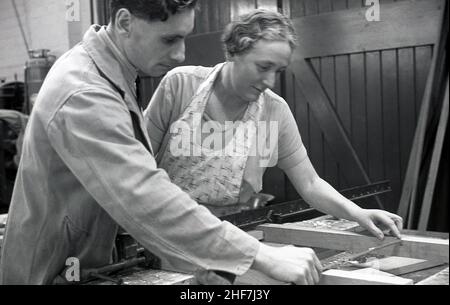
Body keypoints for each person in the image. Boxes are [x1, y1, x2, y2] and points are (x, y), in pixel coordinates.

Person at [0, 0, 323, 286]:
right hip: (51, 269)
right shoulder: (85, 92)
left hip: (90, 258)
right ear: (125, 22)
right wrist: (260, 255)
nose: (180, 53)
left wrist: (208, 252)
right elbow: (143, 192)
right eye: (169, 39)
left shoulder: (112, 72)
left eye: (183, 36)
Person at [145, 10, 403, 247]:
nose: (270, 81)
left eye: (278, 70)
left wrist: (358, 213)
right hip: (165, 232)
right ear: (234, 51)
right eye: (263, 67)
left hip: (234, 235)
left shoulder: (274, 112)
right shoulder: (180, 86)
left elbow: (311, 183)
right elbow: (138, 161)